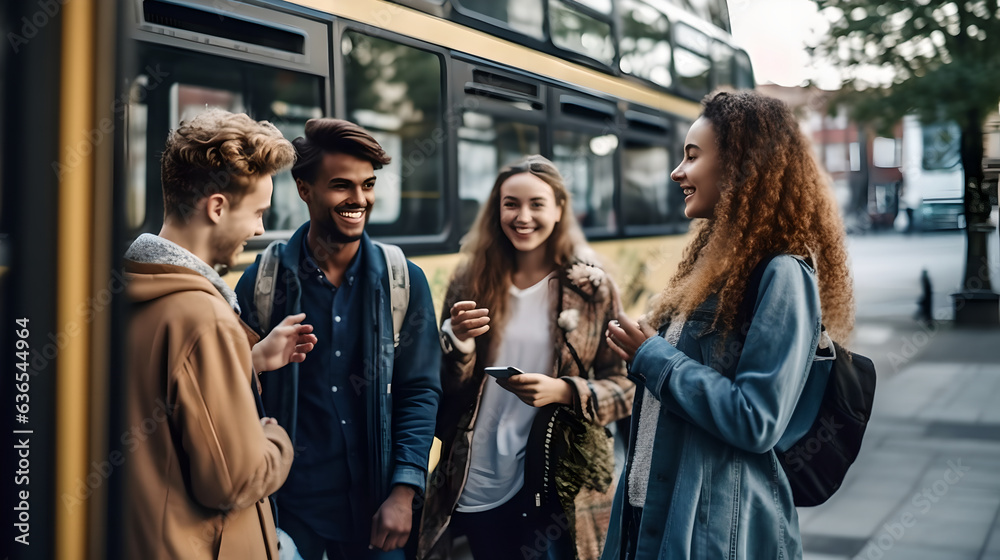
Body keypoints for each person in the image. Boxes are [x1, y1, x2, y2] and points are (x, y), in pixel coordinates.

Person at [603, 90, 856, 560]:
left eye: (692, 157)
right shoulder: (710, 261)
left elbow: (756, 419)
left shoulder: (781, 272)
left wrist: (652, 357)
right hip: (649, 513)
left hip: (712, 531)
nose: (677, 172)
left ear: (740, 166)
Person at [234, 118, 442, 560]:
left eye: (368, 185)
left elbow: (419, 391)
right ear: (304, 188)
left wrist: (403, 493)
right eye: (342, 186)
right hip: (287, 514)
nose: (359, 199)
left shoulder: (404, 281)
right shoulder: (261, 283)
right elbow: (237, 393)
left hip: (376, 512)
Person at [418, 155, 635, 560]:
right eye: (510, 203)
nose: (522, 216)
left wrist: (565, 391)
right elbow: (444, 388)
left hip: (557, 480)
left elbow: (626, 388)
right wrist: (459, 343)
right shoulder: (471, 280)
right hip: (477, 473)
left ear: (558, 209)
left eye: (536, 204)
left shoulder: (591, 289)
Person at [124, 108, 318, 559]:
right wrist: (274, 440)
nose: (259, 229)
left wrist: (248, 362)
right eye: (258, 213)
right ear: (217, 207)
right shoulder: (204, 316)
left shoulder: (134, 284)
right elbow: (234, 480)